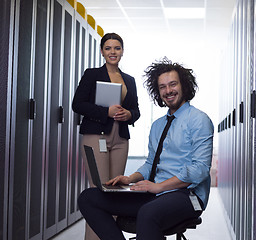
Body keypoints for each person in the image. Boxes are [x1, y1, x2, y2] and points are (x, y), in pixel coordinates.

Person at [77, 57, 214, 240]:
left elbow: (200, 170)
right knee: (89, 198)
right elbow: (151, 163)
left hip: (188, 195)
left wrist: (159, 187)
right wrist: (129, 178)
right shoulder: (158, 125)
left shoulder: (199, 120)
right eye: (162, 87)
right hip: (156, 193)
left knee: (148, 213)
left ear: (184, 86)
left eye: (172, 84)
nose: (168, 91)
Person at [72, 33, 140, 240]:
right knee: (98, 192)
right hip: (96, 137)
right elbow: (78, 104)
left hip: (120, 138)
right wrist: (105, 112)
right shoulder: (92, 74)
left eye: (117, 48)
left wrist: (129, 115)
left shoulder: (130, 79)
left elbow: (136, 110)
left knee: (115, 192)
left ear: (122, 51)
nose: (113, 52)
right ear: (102, 51)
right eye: (108, 48)